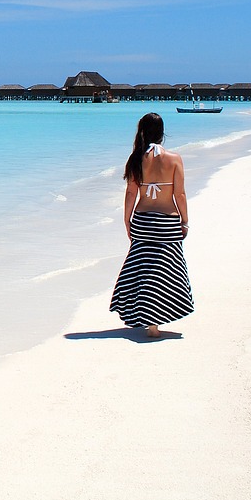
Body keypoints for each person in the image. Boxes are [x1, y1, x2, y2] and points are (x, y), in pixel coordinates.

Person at [109, 112, 194, 338]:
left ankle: (149, 320)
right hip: (167, 222)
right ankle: (155, 320)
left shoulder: (136, 158)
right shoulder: (174, 159)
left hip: (143, 221)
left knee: (142, 270)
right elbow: (180, 194)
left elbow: (131, 193)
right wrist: (185, 221)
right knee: (165, 271)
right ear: (162, 133)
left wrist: (127, 221)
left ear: (142, 132)